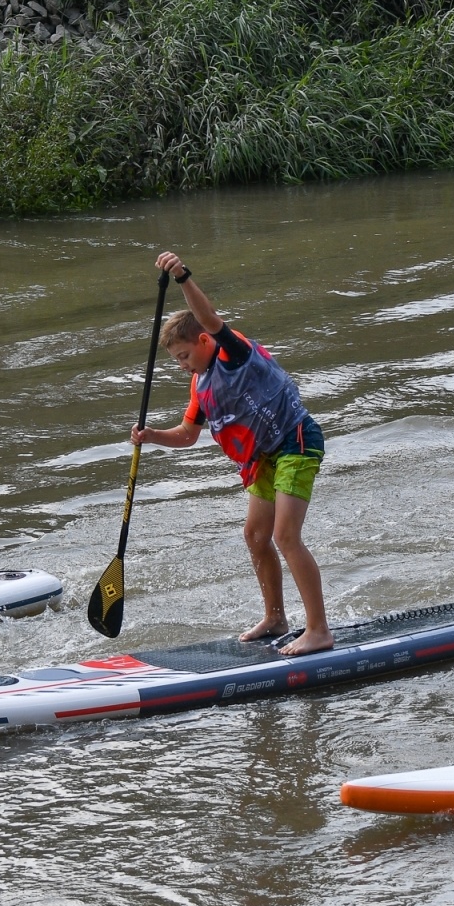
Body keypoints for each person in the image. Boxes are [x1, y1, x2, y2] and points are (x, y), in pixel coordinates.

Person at [131, 251, 331, 656]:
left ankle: (319, 630)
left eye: (185, 356)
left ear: (204, 341)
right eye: (176, 360)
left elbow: (208, 317)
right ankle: (275, 617)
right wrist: (151, 436)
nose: (183, 366)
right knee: (255, 535)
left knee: (285, 535)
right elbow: (187, 435)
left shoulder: (233, 353)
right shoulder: (201, 385)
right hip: (265, 458)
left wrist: (182, 277)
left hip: (295, 440)